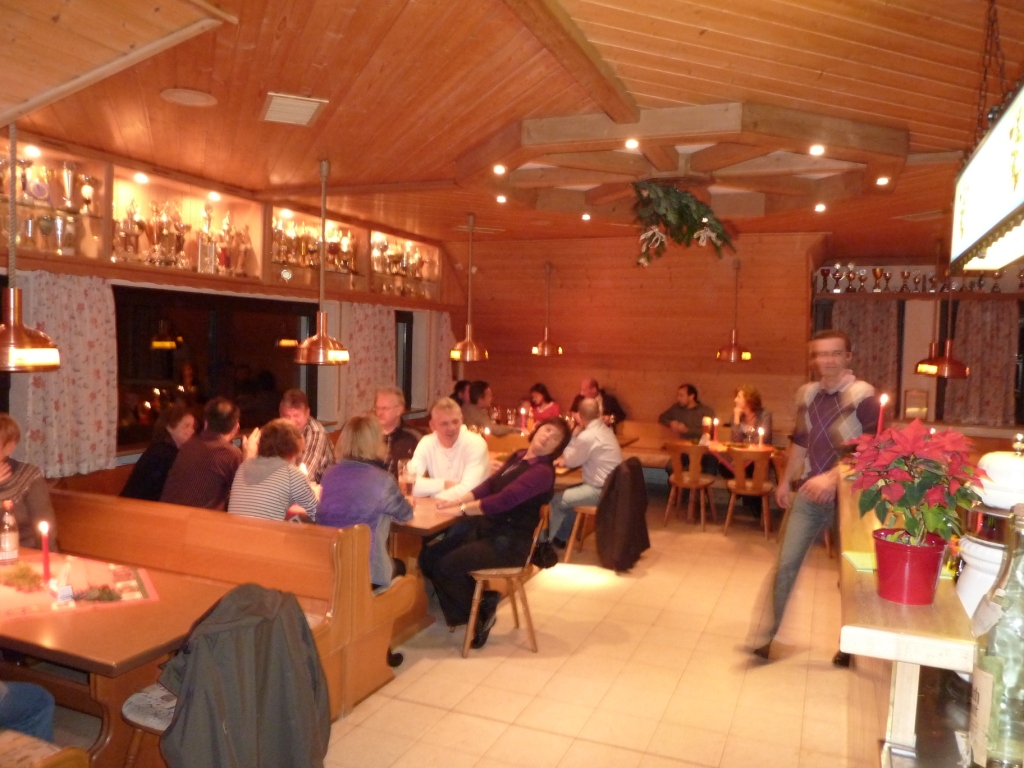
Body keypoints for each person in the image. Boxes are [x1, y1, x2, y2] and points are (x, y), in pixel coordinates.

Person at [754, 329, 880, 662]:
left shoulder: (863, 396)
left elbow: (871, 448)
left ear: (848, 357)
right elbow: (800, 441)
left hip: (851, 500)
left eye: (835, 353)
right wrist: (785, 481)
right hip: (809, 493)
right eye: (822, 354)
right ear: (814, 360)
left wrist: (832, 478)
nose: (828, 360)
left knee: (850, 577)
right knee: (785, 565)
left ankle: (849, 646)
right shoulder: (808, 395)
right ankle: (769, 637)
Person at [422, 418, 572, 647]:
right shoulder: (520, 455)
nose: (547, 436)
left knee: (446, 566)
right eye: (547, 429)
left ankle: (479, 617)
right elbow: (490, 485)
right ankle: (484, 602)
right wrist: (456, 501)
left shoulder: (542, 472)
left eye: (555, 438)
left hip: (510, 543)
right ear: (538, 429)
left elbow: (503, 500)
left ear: (557, 448)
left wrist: (461, 510)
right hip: (487, 529)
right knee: (428, 558)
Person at [318, 416, 412, 588]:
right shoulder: (383, 480)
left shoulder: (328, 475)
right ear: (376, 443)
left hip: (331, 566)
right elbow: (406, 516)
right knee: (403, 568)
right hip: (369, 574)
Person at [547, 398, 622, 548]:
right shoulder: (605, 430)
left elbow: (570, 460)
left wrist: (574, 434)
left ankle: (545, 542)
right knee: (570, 495)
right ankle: (560, 538)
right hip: (615, 487)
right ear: (599, 413)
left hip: (602, 491)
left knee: (556, 500)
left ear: (580, 416)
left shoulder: (587, 436)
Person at [228, 418, 319, 522]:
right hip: (265, 531)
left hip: (234, 529)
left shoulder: (244, 466)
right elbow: (316, 513)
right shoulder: (291, 473)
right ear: (294, 448)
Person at [161, 397, 244, 511]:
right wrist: (249, 457)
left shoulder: (188, 445)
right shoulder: (231, 454)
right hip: (196, 519)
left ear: (206, 424)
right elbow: (244, 494)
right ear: (236, 428)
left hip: (165, 514)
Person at [407, 398, 489, 502]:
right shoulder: (426, 443)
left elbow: (469, 491)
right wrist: (443, 484)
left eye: (455, 422)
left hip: (471, 509)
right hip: (437, 508)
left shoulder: (475, 444)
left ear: (461, 419)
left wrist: (435, 499)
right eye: (444, 424)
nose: (451, 428)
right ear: (432, 425)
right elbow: (409, 484)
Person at [120, 403, 196, 501]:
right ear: (169, 427)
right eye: (186, 426)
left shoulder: (162, 447)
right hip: (137, 505)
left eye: (192, 426)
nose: (192, 431)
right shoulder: (164, 454)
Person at [0, 414, 55, 548]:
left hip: (24, 552)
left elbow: (45, 525)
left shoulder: (29, 476)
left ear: (10, 446)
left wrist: (50, 556)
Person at [278, 389, 334, 483]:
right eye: (286, 416)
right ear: (280, 414)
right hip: (289, 487)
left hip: (321, 488)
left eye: (296, 416)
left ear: (307, 413)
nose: (291, 421)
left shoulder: (316, 434)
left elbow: (302, 478)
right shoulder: (277, 431)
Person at [373, 387, 420, 477]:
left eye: (385, 408)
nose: (379, 413)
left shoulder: (414, 437)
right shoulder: (368, 436)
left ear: (399, 410)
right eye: (377, 408)